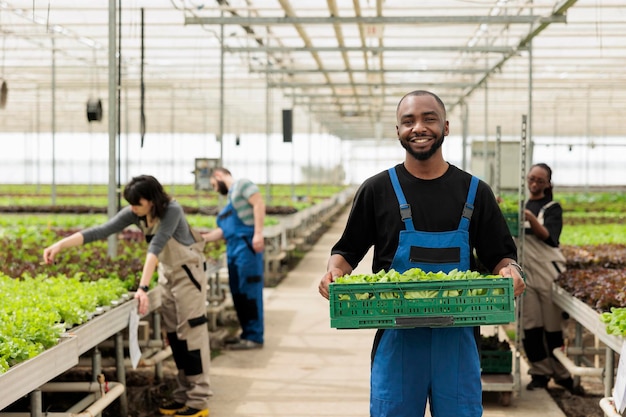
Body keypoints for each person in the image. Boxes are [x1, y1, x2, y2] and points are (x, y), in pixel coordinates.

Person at [318, 90, 526, 417]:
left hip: (458, 339)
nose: (419, 127)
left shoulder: (475, 191)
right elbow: (346, 251)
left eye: (429, 118)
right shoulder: (377, 190)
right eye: (408, 121)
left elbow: (501, 256)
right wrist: (333, 273)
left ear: (445, 126)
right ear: (397, 130)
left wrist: (511, 271)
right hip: (397, 339)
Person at [43, 175, 211, 417]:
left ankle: (199, 400)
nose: (133, 209)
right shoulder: (136, 212)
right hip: (168, 274)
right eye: (131, 205)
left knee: (191, 334)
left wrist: (142, 288)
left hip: (188, 274)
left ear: (152, 200)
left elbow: (157, 246)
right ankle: (183, 395)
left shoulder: (172, 210)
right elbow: (102, 231)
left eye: (137, 204)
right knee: (175, 334)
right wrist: (61, 244)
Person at [520, 163, 581, 394]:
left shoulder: (552, 208)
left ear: (548, 184)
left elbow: (550, 238)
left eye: (540, 180)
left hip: (548, 273)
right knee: (531, 325)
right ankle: (540, 373)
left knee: (553, 327)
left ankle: (562, 375)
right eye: (531, 178)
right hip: (527, 273)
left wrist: (530, 218)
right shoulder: (523, 205)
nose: (534, 183)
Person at [201, 167, 265, 350]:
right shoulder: (231, 197)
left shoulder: (242, 184)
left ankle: (255, 337)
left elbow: (259, 203)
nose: (215, 189)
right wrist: (203, 238)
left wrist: (258, 233)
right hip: (234, 250)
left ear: (218, 175)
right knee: (238, 294)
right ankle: (246, 334)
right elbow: (225, 230)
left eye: (214, 184)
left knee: (250, 292)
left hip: (247, 249)